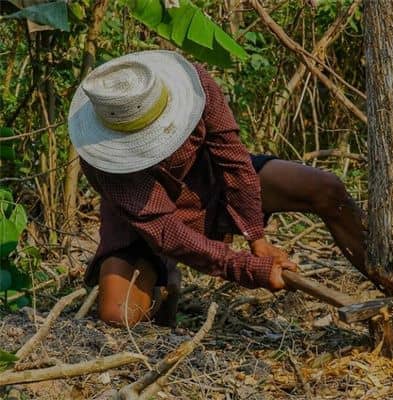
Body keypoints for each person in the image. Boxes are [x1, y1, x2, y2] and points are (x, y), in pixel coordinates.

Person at [68, 50, 366, 327]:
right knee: (116, 315)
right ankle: (164, 287)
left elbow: (234, 162)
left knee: (326, 188)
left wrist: (256, 238)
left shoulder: (196, 87)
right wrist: (248, 268)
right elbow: (164, 231)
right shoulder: (101, 162)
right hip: (144, 228)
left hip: (212, 188)